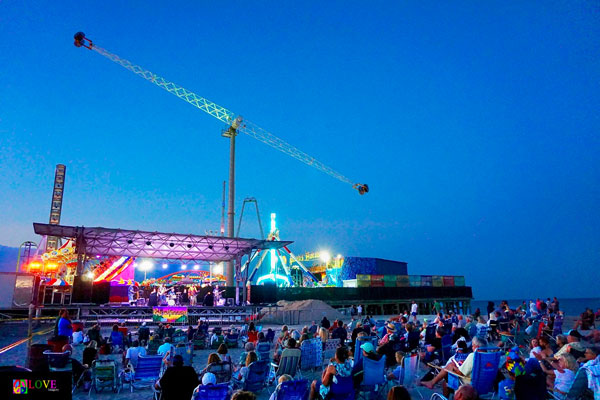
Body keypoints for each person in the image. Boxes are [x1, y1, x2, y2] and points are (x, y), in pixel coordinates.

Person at [422, 337, 488, 394]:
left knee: (449, 369)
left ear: (477, 347)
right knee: (451, 366)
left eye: (473, 346)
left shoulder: (473, 356)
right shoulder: (492, 357)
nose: (472, 348)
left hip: (470, 383)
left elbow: (460, 373)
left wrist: (453, 367)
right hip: (486, 384)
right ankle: (432, 382)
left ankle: (433, 383)